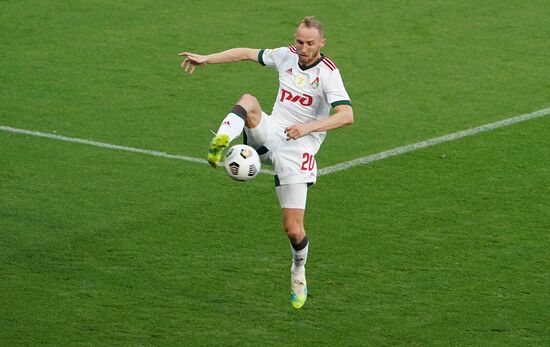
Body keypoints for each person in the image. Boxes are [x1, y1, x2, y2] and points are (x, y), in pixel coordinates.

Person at [179, 16, 354, 309]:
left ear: (321, 43)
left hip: (299, 149)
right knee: (249, 100)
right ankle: (219, 143)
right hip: (273, 131)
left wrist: (308, 128)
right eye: (300, 41)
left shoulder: (328, 73)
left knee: (293, 230)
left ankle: (298, 271)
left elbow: (347, 115)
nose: (303, 48)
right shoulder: (286, 55)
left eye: (310, 43)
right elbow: (247, 53)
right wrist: (207, 59)